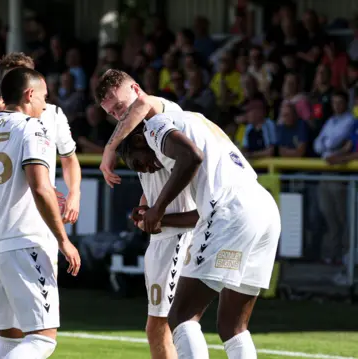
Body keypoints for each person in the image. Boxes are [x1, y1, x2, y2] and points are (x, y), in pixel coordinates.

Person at [95, 69, 281, 358]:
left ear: (136, 89)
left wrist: (156, 208)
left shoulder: (154, 124)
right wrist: (158, 215)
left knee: (181, 315)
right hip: (263, 211)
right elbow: (202, 211)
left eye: (121, 107)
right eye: (114, 113)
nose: (121, 116)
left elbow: (191, 156)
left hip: (231, 212)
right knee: (233, 326)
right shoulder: (190, 118)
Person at [0, 67, 81, 359]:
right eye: (43, 97)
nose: (44, 104)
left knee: (8, 343)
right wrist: (64, 240)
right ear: (29, 95)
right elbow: (41, 187)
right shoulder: (33, 127)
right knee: (42, 340)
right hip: (24, 242)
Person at [116, 124, 198, 359]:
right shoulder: (143, 149)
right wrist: (145, 208)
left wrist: (160, 218)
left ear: (142, 141)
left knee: (168, 325)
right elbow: (150, 193)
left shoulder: (177, 154)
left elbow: (201, 213)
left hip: (179, 240)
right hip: (161, 242)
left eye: (140, 163)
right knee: (165, 326)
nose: (144, 169)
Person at [0, 52, 81, 224]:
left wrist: (74, 193)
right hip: (4, 210)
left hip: (42, 210)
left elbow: (69, 158)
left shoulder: (53, 114)